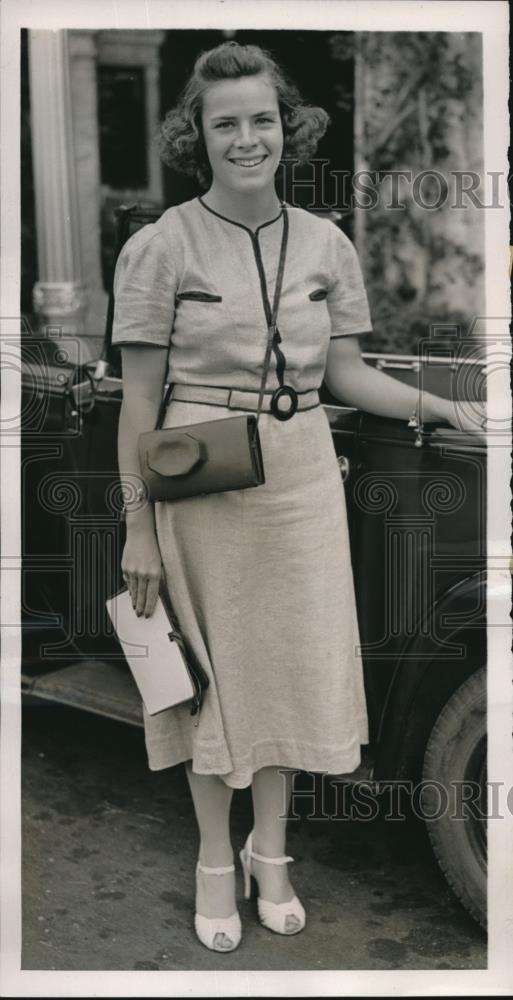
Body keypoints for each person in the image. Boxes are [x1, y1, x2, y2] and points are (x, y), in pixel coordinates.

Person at [111, 41, 486, 953]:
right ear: (197, 134)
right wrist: (139, 531)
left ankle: (268, 855)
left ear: (290, 127)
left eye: (262, 120)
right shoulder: (160, 247)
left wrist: (442, 404)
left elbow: (347, 376)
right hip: (199, 491)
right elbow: (138, 404)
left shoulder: (325, 242)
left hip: (303, 483)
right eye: (225, 122)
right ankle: (212, 859)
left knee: (285, 681)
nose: (247, 138)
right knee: (212, 691)